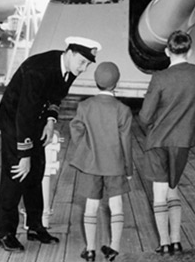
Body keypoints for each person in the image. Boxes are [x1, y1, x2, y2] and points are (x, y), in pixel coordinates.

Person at [0, 36, 101, 252]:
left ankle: (35, 227)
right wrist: (24, 154)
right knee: (15, 176)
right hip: (14, 123)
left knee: (36, 175)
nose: (84, 69)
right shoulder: (38, 70)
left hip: (35, 122)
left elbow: (55, 96)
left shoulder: (69, 68)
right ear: (70, 53)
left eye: (88, 65)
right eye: (82, 62)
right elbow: (23, 113)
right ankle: (6, 233)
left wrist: (51, 120)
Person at [138, 30, 195, 255]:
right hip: (183, 141)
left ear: (168, 51)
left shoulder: (160, 77)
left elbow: (144, 117)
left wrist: (150, 129)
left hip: (158, 140)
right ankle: (177, 240)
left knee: (159, 194)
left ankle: (165, 243)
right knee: (173, 188)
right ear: (190, 49)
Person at [69, 62, 133, 262]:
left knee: (91, 206)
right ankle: (113, 248)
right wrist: (128, 169)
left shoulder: (85, 106)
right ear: (116, 82)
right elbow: (126, 142)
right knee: (117, 206)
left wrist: (85, 149)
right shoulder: (123, 110)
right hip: (115, 164)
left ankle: (89, 249)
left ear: (96, 81)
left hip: (91, 164)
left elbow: (76, 129)